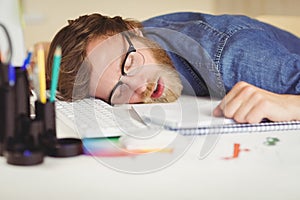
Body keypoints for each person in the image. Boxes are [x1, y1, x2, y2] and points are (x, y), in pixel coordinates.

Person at [45, 12, 300, 123]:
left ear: (135, 31)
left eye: (129, 63)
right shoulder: (139, 39)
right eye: (119, 92)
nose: (139, 86)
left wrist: (290, 104)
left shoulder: (232, 53)